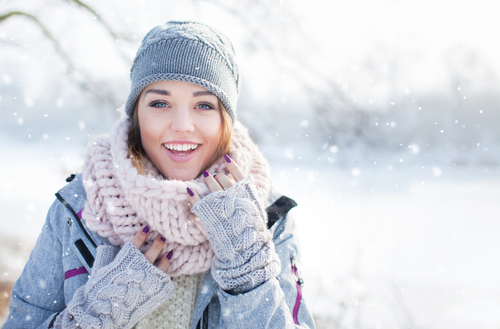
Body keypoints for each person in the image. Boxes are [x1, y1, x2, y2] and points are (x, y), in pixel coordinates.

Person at [4, 21, 315, 329]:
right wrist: (100, 312)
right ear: (137, 113)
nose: (182, 124)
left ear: (226, 121)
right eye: (160, 103)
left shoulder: (268, 217)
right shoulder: (79, 208)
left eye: (204, 104)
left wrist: (247, 267)